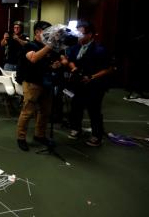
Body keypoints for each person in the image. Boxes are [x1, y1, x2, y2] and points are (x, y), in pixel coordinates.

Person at [15, 21, 61, 151]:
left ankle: (40, 135)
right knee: (27, 111)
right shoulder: (29, 45)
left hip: (45, 82)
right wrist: (50, 45)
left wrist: (54, 65)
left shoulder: (46, 46)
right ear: (37, 32)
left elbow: (46, 63)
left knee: (44, 112)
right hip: (32, 83)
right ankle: (21, 137)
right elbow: (34, 58)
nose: (49, 35)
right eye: (46, 32)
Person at [65, 21, 113, 147]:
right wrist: (74, 67)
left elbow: (108, 69)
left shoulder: (99, 49)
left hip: (95, 85)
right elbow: (70, 60)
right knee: (76, 107)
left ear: (90, 35)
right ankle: (76, 128)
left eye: (81, 34)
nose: (78, 37)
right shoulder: (76, 47)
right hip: (79, 84)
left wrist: (92, 77)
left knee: (94, 110)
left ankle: (97, 135)